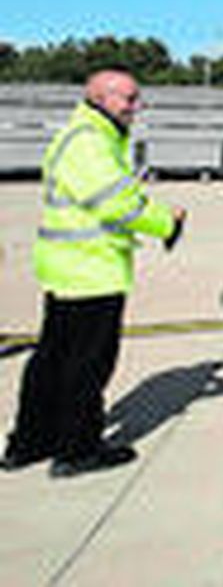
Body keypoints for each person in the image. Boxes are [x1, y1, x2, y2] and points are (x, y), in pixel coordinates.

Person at [3, 70, 186, 477]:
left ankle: (31, 442)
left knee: (53, 358)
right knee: (87, 364)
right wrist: (165, 223)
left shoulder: (88, 135)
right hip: (90, 269)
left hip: (70, 265)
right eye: (129, 99)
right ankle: (78, 449)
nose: (137, 107)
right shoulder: (88, 142)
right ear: (101, 98)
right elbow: (114, 203)